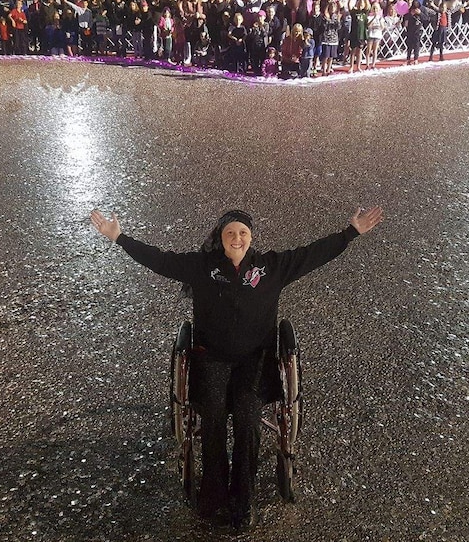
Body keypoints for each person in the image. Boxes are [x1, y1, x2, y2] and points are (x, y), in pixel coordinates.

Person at [89, 205, 384, 531]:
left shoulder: (271, 267)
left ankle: (243, 498)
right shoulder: (202, 267)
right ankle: (213, 492)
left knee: (247, 415)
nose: (237, 238)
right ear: (221, 238)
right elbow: (160, 260)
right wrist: (119, 237)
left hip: (254, 361)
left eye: (243, 232)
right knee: (212, 412)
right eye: (230, 233)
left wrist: (350, 233)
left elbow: (312, 254)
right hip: (211, 356)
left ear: (251, 237)